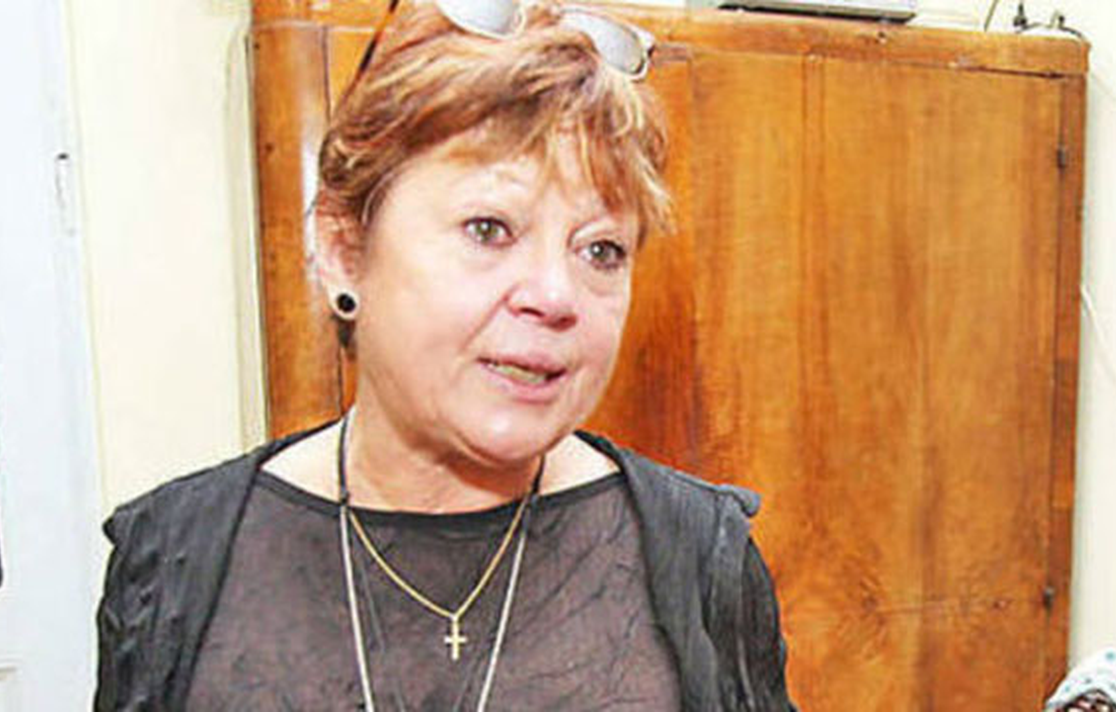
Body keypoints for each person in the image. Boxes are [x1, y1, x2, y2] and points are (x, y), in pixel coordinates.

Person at [94, 0, 795, 709]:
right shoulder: (173, 561)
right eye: (489, 229)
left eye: (601, 250)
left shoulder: (701, 559)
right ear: (344, 249)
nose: (556, 295)